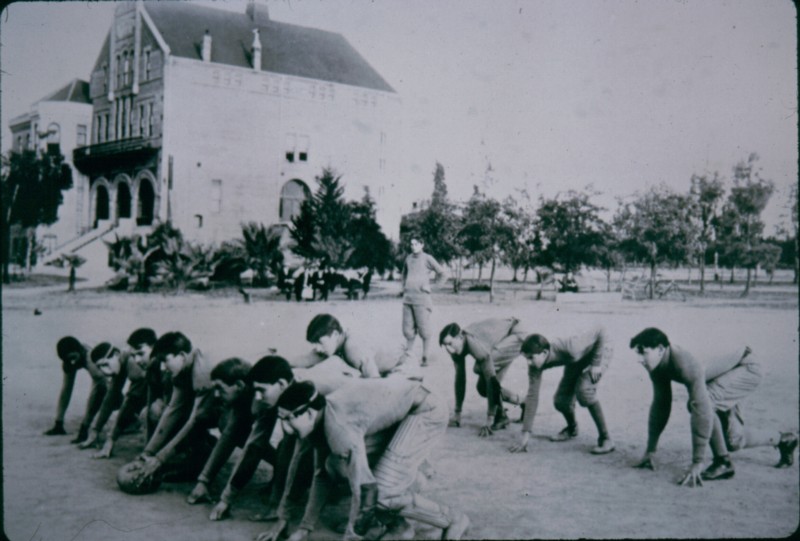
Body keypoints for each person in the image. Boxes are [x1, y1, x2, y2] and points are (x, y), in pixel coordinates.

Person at [261, 378, 469, 541]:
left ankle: (453, 519)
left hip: (426, 411)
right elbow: (321, 475)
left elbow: (364, 491)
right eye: (282, 420)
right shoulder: (318, 421)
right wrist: (304, 529)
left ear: (309, 413)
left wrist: (352, 536)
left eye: (289, 419)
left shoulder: (338, 429)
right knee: (332, 466)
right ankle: (399, 527)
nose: (285, 429)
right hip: (401, 413)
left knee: (381, 494)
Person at [629, 327, 798, 487]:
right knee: (733, 441)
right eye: (637, 352)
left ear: (659, 349)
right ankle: (784, 440)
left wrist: (697, 463)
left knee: (703, 403)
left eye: (643, 352)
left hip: (746, 368)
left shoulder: (684, 363)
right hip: (726, 371)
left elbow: (701, 411)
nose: (639, 359)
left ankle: (722, 462)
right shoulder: (658, 365)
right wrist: (650, 450)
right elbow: (661, 405)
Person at [186, 357, 277, 517]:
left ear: (240, 385)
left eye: (220, 389)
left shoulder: (261, 399)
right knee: (231, 427)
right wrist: (204, 481)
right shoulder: (243, 395)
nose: (215, 394)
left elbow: (253, 448)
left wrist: (226, 499)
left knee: (282, 448)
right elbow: (229, 435)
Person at [509, 329, 615, 455]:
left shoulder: (570, 348)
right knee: (561, 401)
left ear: (544, 353)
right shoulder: (535, 366)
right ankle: (572, 428)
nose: (529, 362)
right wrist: (525, 435)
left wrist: (596, 363)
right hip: (576, 359)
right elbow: (532, 397)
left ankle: (606, 438)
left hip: (599, 350)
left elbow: (600, 332)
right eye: (526, 358)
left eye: (531, 358)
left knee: (584, 391)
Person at [134, 331, 219, 485]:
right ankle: (202, 451)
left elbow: (195, 419)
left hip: (239, 407)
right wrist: (148, 452)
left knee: (234, 432)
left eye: (165, 361)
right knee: (169, 413)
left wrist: (160, 458)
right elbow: (173, 410)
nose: (164, 368)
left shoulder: (201, 373)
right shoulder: (181, 369)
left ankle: (200, 467)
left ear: (181, 355)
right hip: (212, 404)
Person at [78, 328, 158, 457]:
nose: (104, 371)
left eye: (105, 364)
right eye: (99, 367)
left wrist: (110, 439)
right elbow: (110, 398)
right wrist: (95, 430)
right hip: (152, 397)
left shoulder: (135, 364)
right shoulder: (123, 360)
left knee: (147, 411)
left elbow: (129, 403)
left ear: (116, 354)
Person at [439, 318, 526, 436]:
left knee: (482, 371)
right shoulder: (456, 348)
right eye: (445, 345)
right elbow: (460, 379)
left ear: (460, 337)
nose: (448, 349)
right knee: (482, 388)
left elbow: (491, 381)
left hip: (516, 334)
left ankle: (503, 413)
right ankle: (508, 411)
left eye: (450, 343)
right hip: (504, 337)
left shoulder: (474, 345)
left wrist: (489, 419)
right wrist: (457, 414)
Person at [44, 336, 107, 444]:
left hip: (110, 376)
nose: (72, 362)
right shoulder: (70, 359)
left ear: (81, 351)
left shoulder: (91, 359)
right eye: (68, 360)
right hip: (102, 374)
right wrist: (58, 422)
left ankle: (131, 419)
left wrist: (84, 428)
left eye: (73, 358)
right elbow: (66, 390)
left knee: (108, 395)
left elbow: (98, 391)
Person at [402, 237, 446, 367]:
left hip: (422, 300)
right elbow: (404, 274)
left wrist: (431, 287)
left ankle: (425, 357)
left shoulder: (427, 258)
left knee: (424, 330)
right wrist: (404, 286)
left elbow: (443, 274)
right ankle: (408, 356)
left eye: (416, 244)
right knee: (407, 330)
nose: (413, 246)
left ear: (422, 244)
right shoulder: (408, 259)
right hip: (407, 299)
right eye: (411, 244)